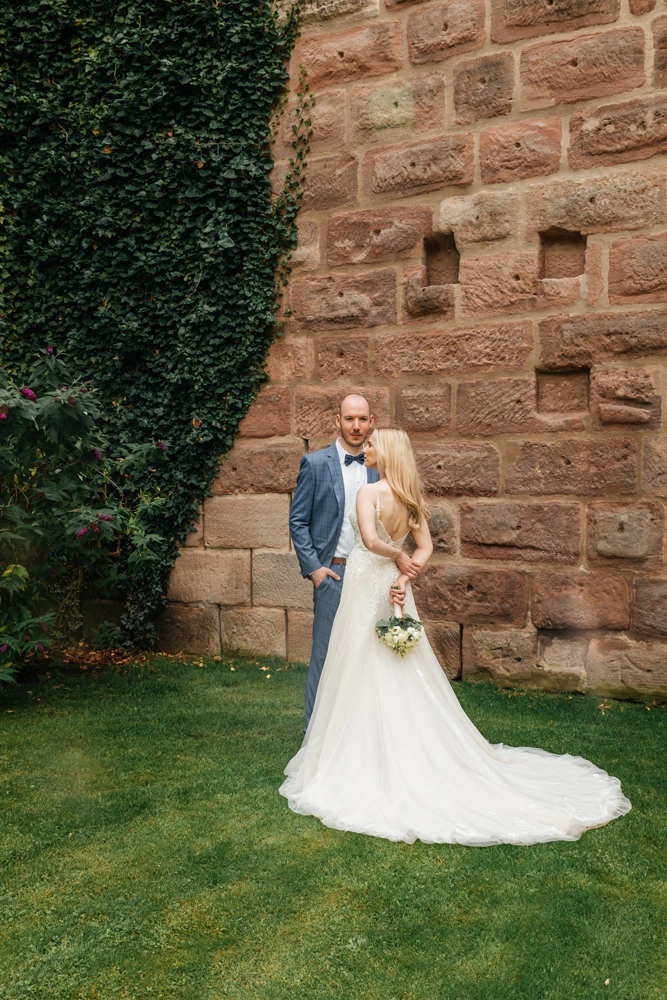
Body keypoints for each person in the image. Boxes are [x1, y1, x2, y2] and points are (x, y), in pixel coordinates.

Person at [281, 428, 632, 846]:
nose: (366, 448)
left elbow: (372, 541)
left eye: (373, 445)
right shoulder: (410, 499)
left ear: (387, 453)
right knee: (394, 661)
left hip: (366, 581)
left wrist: (397, 558)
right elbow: (425, 547)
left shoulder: (370, 492)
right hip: (393, 584)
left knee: (356, 656)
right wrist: (407, 570)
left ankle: (358, 754)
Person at [289, 395, 421, 723]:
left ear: (372, 421)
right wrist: (315, 569)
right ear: (338, 421)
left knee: (373, 655)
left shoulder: (381, 467)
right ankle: (314, 733)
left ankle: (366, 729)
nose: (356, 426)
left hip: (375, 574)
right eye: (349, 419)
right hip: (333, 572)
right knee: (326, 654)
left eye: (363, 419)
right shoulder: (316, 463)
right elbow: (298, 521)